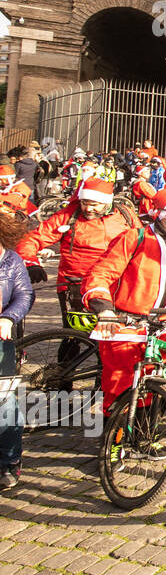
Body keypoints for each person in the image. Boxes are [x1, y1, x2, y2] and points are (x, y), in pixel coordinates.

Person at [81, 188, 166, 412]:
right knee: (120, 383)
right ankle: (116, 439)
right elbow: (101, 273)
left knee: (157, 379)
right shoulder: (135, 237)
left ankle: (145, 432)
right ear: (160, 214)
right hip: (129, 321)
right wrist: (103, 308)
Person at [16, 177, 139, 328]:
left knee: (112, 334)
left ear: (107, 202)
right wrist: (30, 262)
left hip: (116, 285)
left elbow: (141, 242)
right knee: (76, 334)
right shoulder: (69, 215)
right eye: (84, 203)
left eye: (94, 205)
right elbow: (33, 239)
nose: (88, 209)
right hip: (76, 285)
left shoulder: (125, 215)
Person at [0, 206, 34, 490]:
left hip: (0, 340)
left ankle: (9, 461)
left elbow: (24, 294)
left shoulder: (11, 262)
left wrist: (8, 318)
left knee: (4, 403)